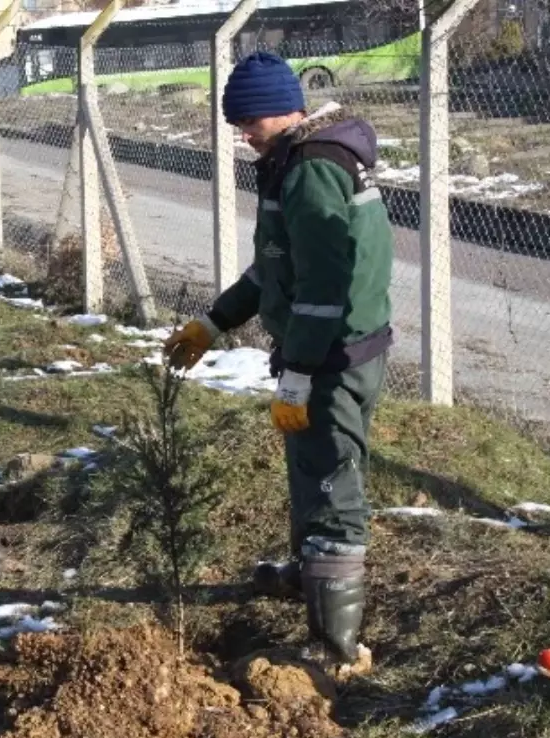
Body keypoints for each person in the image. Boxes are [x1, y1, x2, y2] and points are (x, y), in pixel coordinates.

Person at [164, 52, 393, 669]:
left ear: (281, 110)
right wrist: (215, 322)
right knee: (310, 464)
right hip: (319, 352)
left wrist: (298, 370)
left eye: (248, 122)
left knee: (332, 479)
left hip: (334, 357)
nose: (242, 135)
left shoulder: (314, 169)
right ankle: (309, 576)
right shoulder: (292, 158)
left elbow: (323, 286)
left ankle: (334, 647)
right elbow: (275, 266)